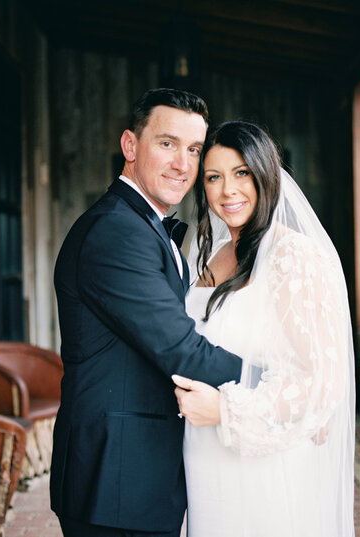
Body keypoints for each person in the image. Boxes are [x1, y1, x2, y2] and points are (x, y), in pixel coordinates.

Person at [50, 89, 243, 537]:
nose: (183, 164)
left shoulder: (142, 226)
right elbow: (180, 348)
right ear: (131, 146)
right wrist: (273, 384)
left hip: (132, 476)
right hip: (116, 479)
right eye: (167, 143)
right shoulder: (117, 231)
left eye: (194, 149)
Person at [173, 121, 355, 536]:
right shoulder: (219, 253)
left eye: (242, 174)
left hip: (260, 465)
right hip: (204, 456)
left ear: (266, 174)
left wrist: (223, 410)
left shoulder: (293, 257)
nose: (227, 191)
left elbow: (321, 382)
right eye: (213, 177)